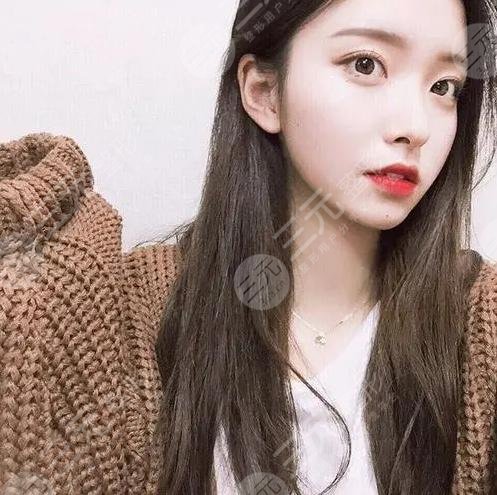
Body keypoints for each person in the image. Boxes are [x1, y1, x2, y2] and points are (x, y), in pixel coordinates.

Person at [1, 0, 497, 494]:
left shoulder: (482, 329)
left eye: (443, 87)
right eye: (365, 65)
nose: (415, 127)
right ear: (264, 92)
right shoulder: (116, 318)